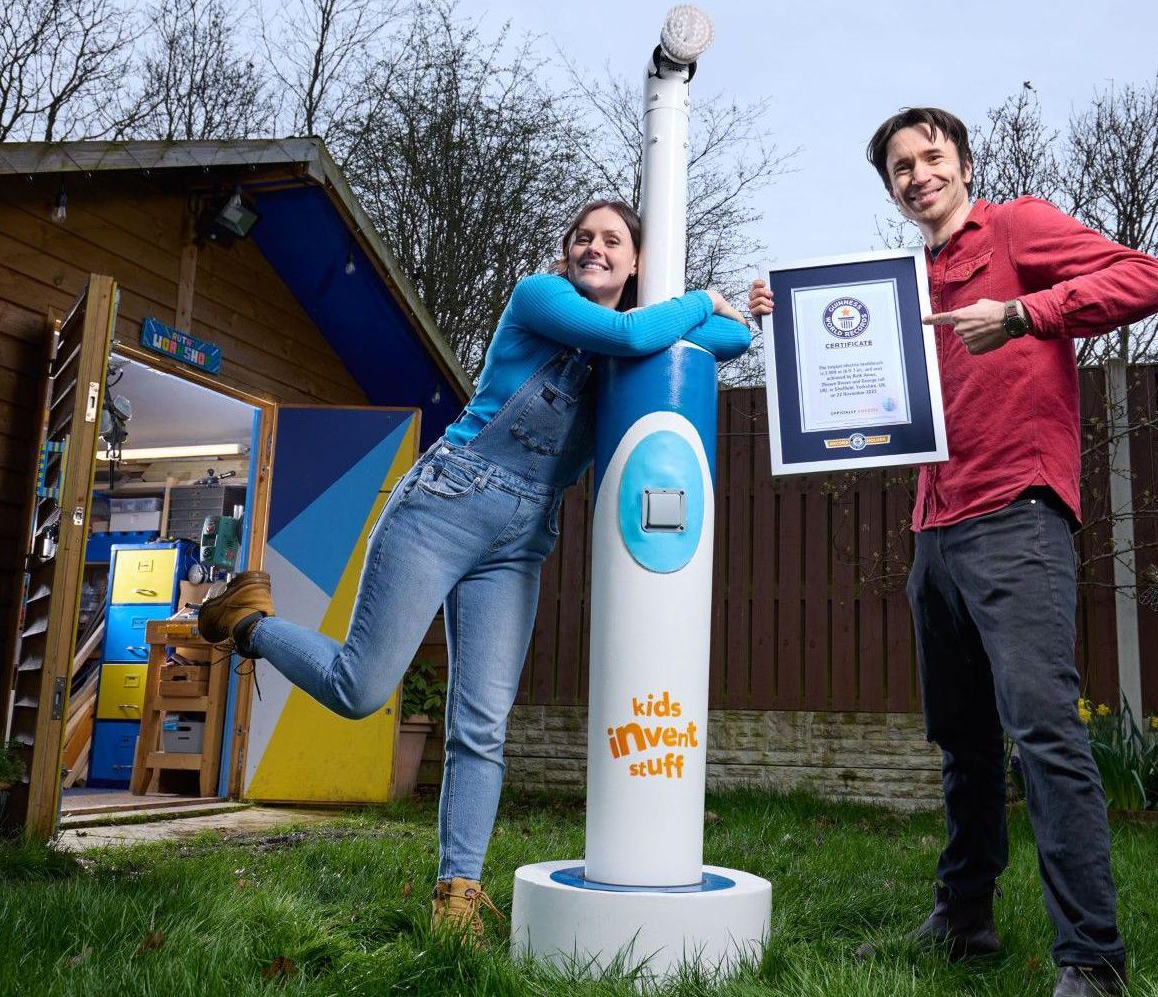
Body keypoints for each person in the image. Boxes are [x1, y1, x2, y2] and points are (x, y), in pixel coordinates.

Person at [199, 199, 753, 939]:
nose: (592, 248)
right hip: (446, 503)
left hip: (522, 538)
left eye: (612, 241)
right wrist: (699, 299)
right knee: (360, 688)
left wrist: (739, 314)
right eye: (581, 236)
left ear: (636, 261)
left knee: (482, 726)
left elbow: (724, 344)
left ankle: (456, 896)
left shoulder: (640, 334)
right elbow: (636, 330)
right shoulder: (543, 298)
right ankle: (248, 623)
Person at [749, 107, 1158, 997]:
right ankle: (964, 921)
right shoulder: (906, 281)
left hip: (1016, 516)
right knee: (962, 742)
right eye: (899, 167)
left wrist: (1024, 313)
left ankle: (1091, 961)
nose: (916, 174)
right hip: (934, 529)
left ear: (965, 163)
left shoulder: (1017, 227)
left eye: (930, 156)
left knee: (1044, 734)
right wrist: (785, 320)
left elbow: (1147, 280)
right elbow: (851, 381)